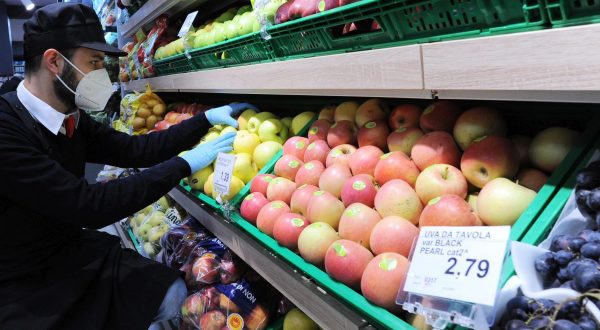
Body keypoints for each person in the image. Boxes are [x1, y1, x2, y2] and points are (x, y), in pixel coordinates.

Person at [0, 3, 256, 329]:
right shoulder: (7, 129)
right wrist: (184, 163)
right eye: (93, 62)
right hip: (23, 282)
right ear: (54, 62)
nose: (101, 74)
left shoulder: (70, 115)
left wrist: (203, 119)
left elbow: (135, 150)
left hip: (71, 252)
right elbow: (88, 206)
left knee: (170, 292)